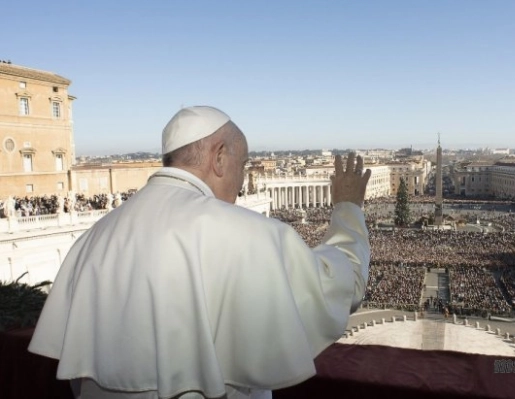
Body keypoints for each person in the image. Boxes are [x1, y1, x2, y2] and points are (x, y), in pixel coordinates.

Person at [28, 106, 372, 399]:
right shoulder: (248, 234)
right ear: (219, 157)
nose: (242, 181)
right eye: (244, 164)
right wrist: (347, 207)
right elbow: (343, 284)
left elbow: (78, 376)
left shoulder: (91, 240)